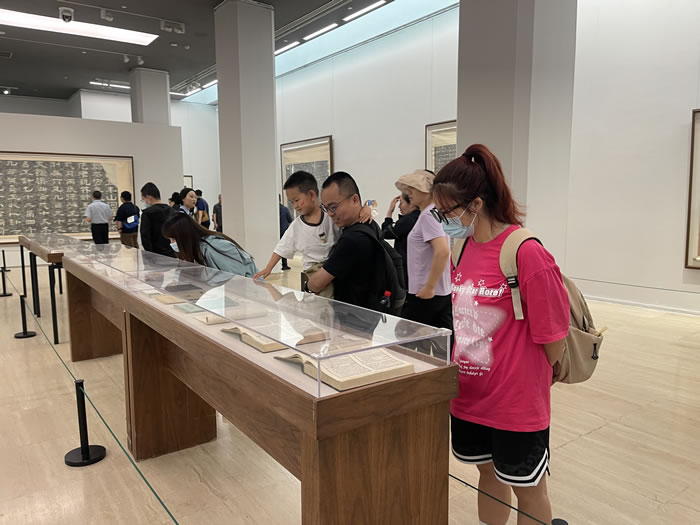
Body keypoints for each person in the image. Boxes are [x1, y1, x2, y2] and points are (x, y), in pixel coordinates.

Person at [432, 144, 570, 525]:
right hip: (470, 397)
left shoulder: (525, 252)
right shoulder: (461, 249)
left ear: (476, 204)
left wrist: (530, 375)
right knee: (488, 477)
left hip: (515, 403)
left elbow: (553, 337)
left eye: (447, 212)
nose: (443, 221)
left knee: (528, 488)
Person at [307, 172, 386, 310]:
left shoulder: (352, 240)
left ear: (355, 200)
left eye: (333, 207)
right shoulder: (369, 224)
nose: (330, 214)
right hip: (370, 310)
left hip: (352, 315)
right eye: (326, 208)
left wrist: (308, 284)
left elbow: (317, 283)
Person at [396, 169, 452, 356]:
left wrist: (429, 286)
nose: (409, 193)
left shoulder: (429, 215)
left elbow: (442, 251)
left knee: (404, 344)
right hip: (438, 293)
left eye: (413, 188)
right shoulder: (435, 213)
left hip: (425, 295)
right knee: (441, 348)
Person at [162, 212, 257, 277]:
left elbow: (237, 279)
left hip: (249, 293)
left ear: (184, 236)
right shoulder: (196, 250)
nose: (172, 244)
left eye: (173, 239)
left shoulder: (215, 247)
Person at [382, 192, 419, 286]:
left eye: (401, 203)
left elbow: (386, 233)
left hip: (406, 267)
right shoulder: (420, 217)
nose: (399, 207)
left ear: (411, 203)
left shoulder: (409, 220)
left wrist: (389, 212)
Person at [140, 182, 176, 257]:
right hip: (172, 254)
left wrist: (149, 255)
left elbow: (145, 237)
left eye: (143, 199)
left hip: (155, 255)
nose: (144, 201)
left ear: (149, 198)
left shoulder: (147, 213)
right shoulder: (172, 211)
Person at [278, 195, 293, 270]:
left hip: (275, 232)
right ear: (280, 199)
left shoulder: (271, 210)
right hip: (283, 231)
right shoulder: (284, 209)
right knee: (283, 248)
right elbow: (290, 220)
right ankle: (284, 265)